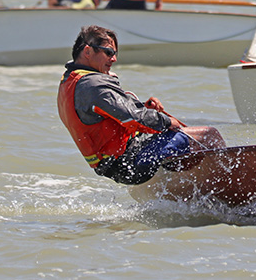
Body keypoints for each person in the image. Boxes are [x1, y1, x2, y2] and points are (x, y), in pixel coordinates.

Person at [56, 25, 225, 184]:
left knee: (186, 143)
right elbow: (132, 116)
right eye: (108, 53)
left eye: (114, 53)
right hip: (131, 163)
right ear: (87, 51)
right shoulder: (93, 85)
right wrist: (166, 121)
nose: (114, 59)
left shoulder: (69, 81)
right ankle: (227, 184)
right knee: (209, 135)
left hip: (115, 166)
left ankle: (192, 187)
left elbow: (114, 116)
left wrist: (145, 108)